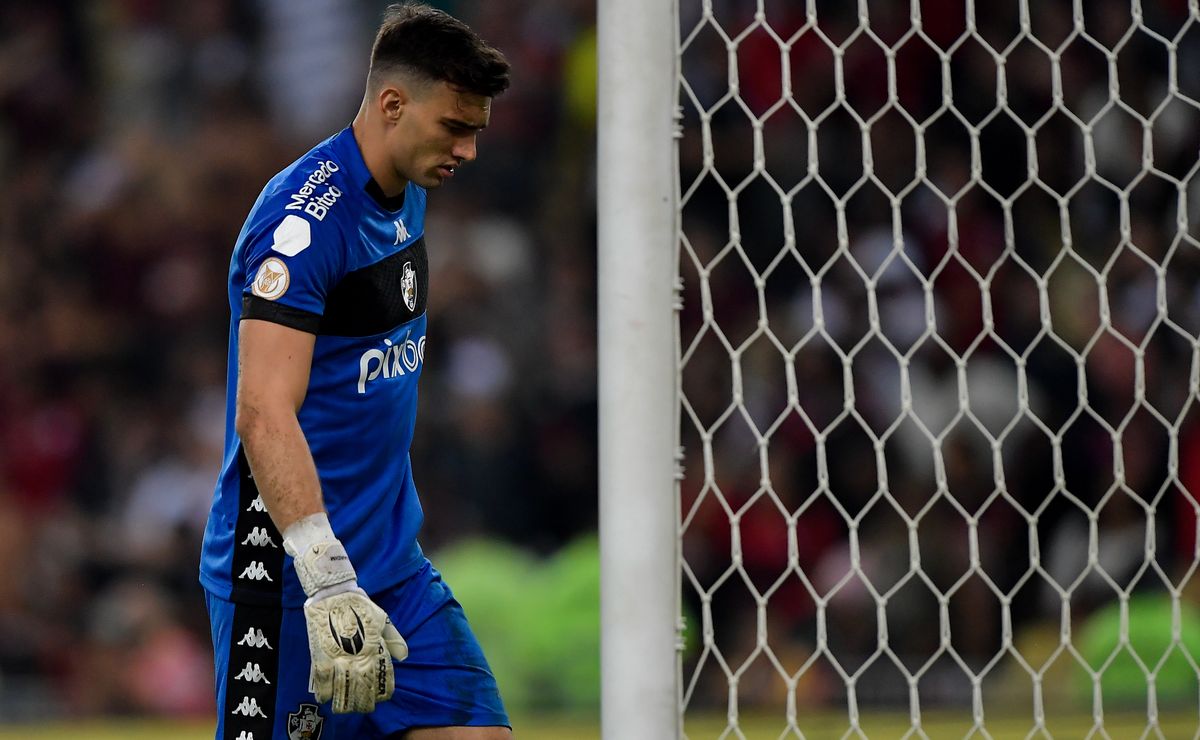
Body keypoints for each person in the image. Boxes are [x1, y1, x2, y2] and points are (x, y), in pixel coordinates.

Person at [198, 4, 512, 738]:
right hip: (285, 584)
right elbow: (263, 412)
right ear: (392, 105)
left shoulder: (410, 188)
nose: (467, 151)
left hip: (395, 571)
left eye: (477, 131)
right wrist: (326, 576)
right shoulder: (299, 227)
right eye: (455, 128)